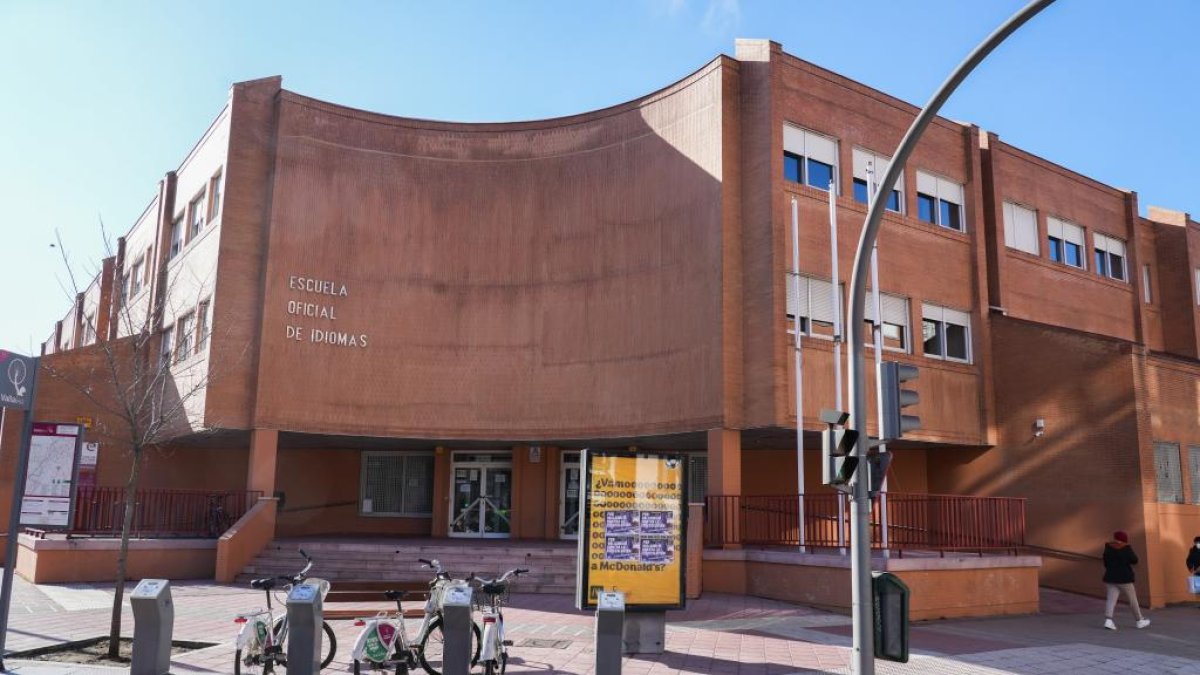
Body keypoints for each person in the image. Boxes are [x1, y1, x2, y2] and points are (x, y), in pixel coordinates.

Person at [1103, 530, 1149, 630]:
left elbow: (1105, 562)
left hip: (1111, 577)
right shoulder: (1126, 548)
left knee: (1111, 600)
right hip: (1125, 578)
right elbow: (1134, 560)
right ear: (1124, 539)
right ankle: (1139, 620)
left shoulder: (1108, 548)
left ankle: (1108, 620)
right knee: (1133, 600)